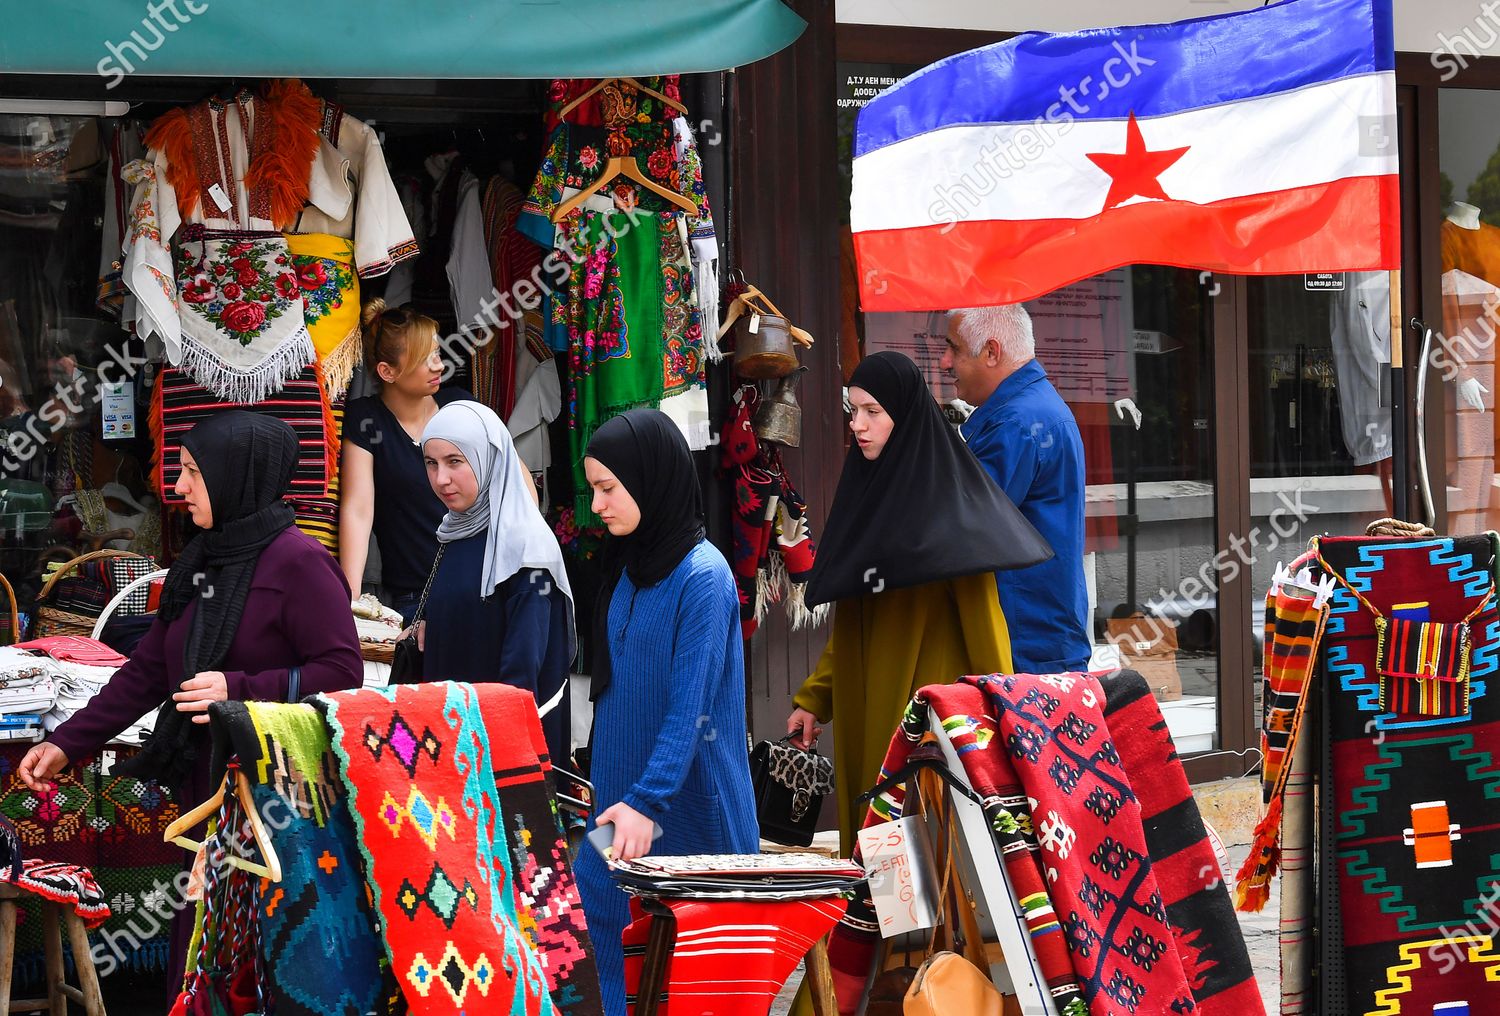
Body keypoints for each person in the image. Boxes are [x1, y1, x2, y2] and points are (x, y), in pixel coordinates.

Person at [17, 412, 363, 990]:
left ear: (236, 478)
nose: (177, 488)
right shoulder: (205, 562)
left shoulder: (301, 565)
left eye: (193, 473)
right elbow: (150, 670)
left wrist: (241, 688)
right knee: (204, 941)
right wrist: (64, 743)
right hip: (209, 789)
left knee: (266, 950)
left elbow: (342, 671)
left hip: (276, 800)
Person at [786, 350, 1052, 853]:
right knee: (879, 865)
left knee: (928, 866)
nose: (857, 426)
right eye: (853, 410)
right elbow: (855, 615)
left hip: (924, 723)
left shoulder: (951, 504)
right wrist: (815, 698)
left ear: (903, 415)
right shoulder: (867, 492)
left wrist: (1002, 724)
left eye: (872, 413)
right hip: (867, 710)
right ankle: (878, 933)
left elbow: (985, 627)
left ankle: (922, 936)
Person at [572, 408, 758, 1016]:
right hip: (624, 804)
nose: (598, 506)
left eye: (608, 489)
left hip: (687, 804)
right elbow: (615, 690)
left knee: (695, 972)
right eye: (594, 489)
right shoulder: (627, 568)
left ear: (650, 481)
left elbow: (690, 709)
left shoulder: (704, 577)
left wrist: (648, 802)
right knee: (591, 907)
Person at [418, 400, 576, 768]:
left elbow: (522, 671)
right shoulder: (455, 532)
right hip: (451, 745)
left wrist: (501, 761)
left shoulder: (525, 545)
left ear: (490, 458)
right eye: (431, 463)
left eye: (455, 461)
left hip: (502, 755)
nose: (441, 479)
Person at [942, 303, 1092, 673]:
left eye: (954, 349)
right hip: (1041, 628)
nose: (946, 362)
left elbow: (963, 528)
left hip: (1022, 635)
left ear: (992, 352)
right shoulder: (1032, 408)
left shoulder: (1017, 422)